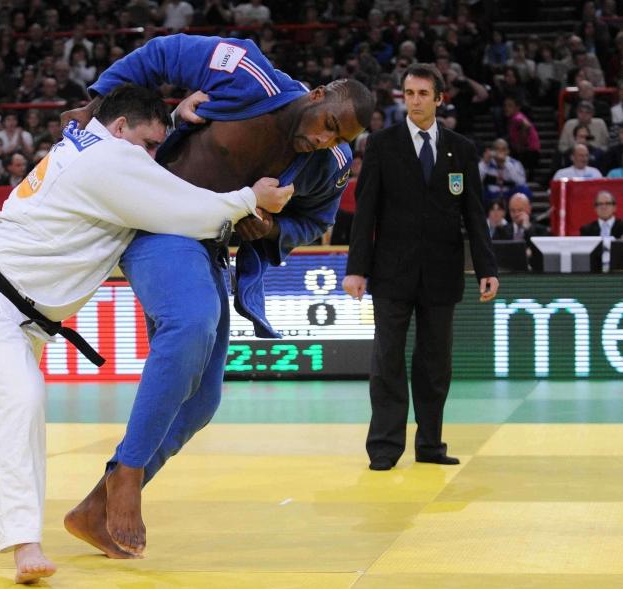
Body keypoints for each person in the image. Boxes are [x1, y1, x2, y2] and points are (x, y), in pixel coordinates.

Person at [0, 84, 292, 585]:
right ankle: (25, 544)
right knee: (18, 404)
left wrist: (171, 117)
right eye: (148, 144)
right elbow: (190, 211)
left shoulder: (90, 143)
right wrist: (248, 199)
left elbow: (144, 156)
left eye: (158, 146)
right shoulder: (108, 164)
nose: (153, 157)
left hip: (6, 309)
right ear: (121, 128)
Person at [61, 33, 373, 558]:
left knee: (203, 400)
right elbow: (159, 54)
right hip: (156, 222)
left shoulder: (331, 164)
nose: (324, 140)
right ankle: (129, 472)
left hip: (208, 246)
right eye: (328, 125)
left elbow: (313, 220)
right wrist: (99, 102)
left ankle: (96, 507)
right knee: (192, 323)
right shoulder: (246, 73)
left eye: (339, 137)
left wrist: (272, 231)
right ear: (318, 95)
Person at [343, 63, 499, 472]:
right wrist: (356, 269)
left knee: (434, 366)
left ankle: (430, 444)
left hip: (442, 273)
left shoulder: (461, 149)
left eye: (423, 94)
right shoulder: (380, 144)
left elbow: (474, 213)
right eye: (409, 93)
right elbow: (366, 212)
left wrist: (486, 266)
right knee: (387, 361)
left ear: (439, 99)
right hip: (392, 272)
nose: (415, 101)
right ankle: (384, 447)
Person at [580, 190, 623, 271]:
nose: (604, 207)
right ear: (595, 208)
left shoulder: (622, 227)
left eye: (607, 203)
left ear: (614, 207)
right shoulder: (586, 230)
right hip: (594, 272)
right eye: (600, 204)